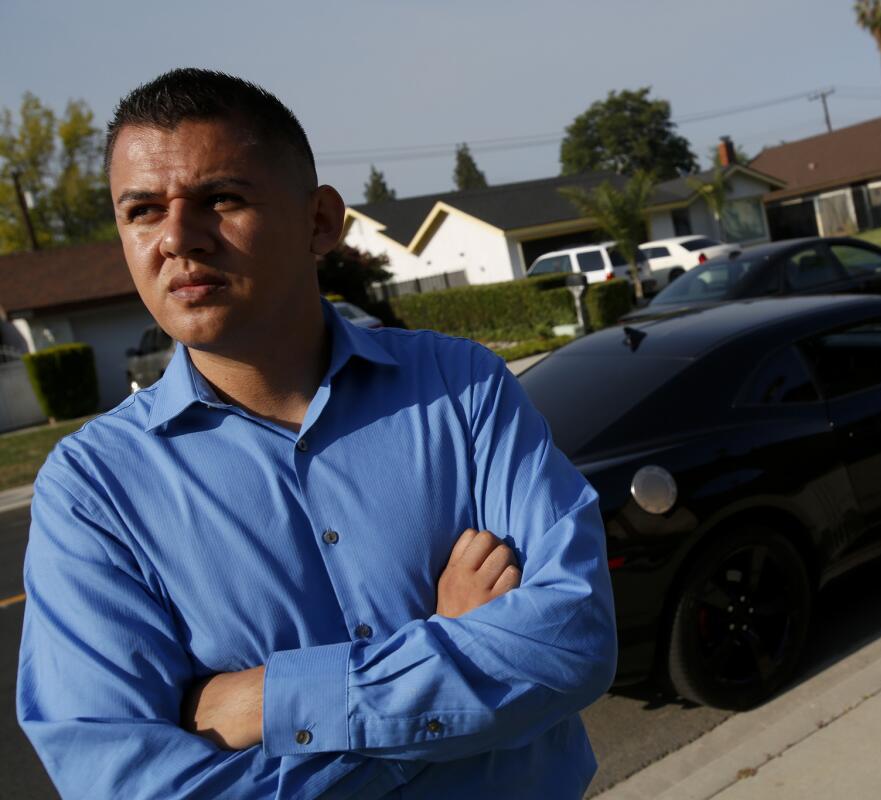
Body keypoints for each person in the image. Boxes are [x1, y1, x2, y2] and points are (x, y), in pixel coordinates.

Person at [17, 68, 617, 799]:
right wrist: (445, 667)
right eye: (142, 210)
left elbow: (572, 642)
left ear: (320, 222)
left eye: (221, 198)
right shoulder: (92, 490)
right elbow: (129, 783)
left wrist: (265, 702)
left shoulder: (461, 390)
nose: (177, 237)